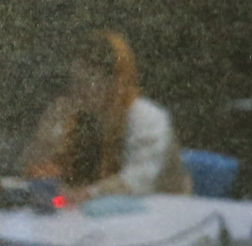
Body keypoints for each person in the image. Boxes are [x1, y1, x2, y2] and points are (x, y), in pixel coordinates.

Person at [19, 29, 189, 202]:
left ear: (114, 82)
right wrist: (46, 136)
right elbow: (31, 171)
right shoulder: (76, 118)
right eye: (75, 82)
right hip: (101, 212)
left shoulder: (146, 116)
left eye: (88, 82)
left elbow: (136, 181)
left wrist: (84, 195)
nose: (78, 91)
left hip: (162, 211)